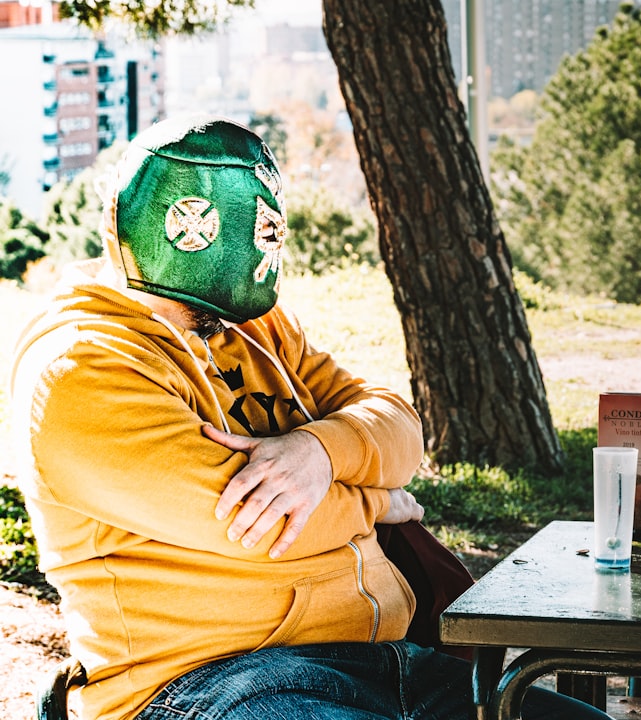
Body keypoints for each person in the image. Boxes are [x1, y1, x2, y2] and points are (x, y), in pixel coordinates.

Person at [10, 115, 610, 720]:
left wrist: (321, 453)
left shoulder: (256, 326)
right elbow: (255, 523)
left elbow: (400, 426)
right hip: (209, 684)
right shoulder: (79, 370)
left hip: (386, 660)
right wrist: (380, 500)